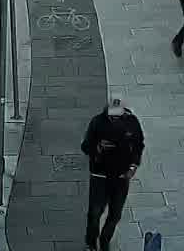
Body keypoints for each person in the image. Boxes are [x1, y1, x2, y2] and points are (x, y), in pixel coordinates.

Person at [81, 97, 144, 251]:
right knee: (95, 213)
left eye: (118, 116)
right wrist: (98, 148)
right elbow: (85, 146)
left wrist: (133, 166)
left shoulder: (132, 122)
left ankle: (104, 240)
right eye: (112, 116)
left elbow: (138, 145)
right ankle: (91, 243)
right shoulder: (97, 122)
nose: (114, 119)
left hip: (121, 176)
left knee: (115, 214)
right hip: (100, 176)